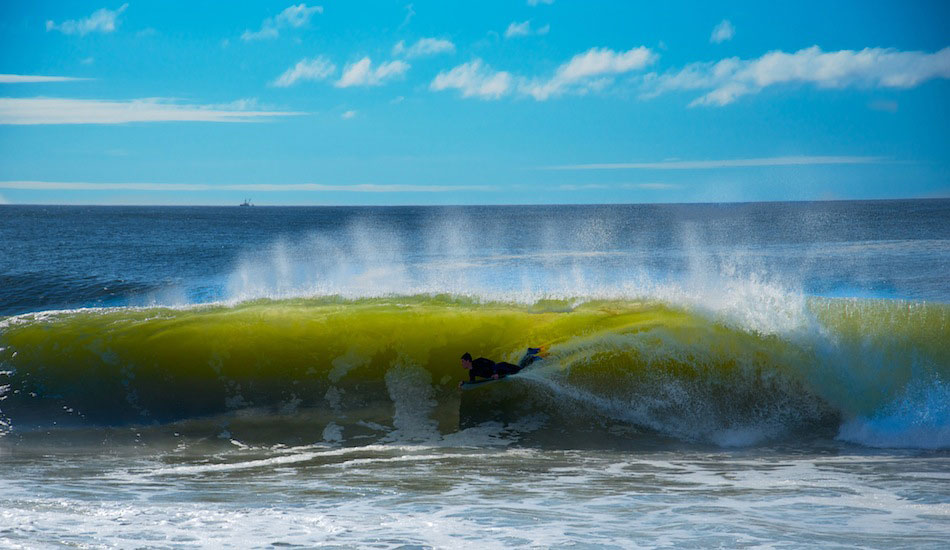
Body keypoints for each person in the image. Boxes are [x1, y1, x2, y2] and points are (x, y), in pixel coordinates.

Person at [459, 347, 543, 385]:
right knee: (520, 367)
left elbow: (493, 363)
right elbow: (472, 383)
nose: (462, 364)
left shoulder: (479, 361)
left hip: (503, 367)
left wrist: (495, 373)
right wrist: (463, 384)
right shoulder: (472, 372)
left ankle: (531, 354)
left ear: (468, 361)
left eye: (462, 362)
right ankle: (529, 353)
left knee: (521, 370)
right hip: (501, 373)